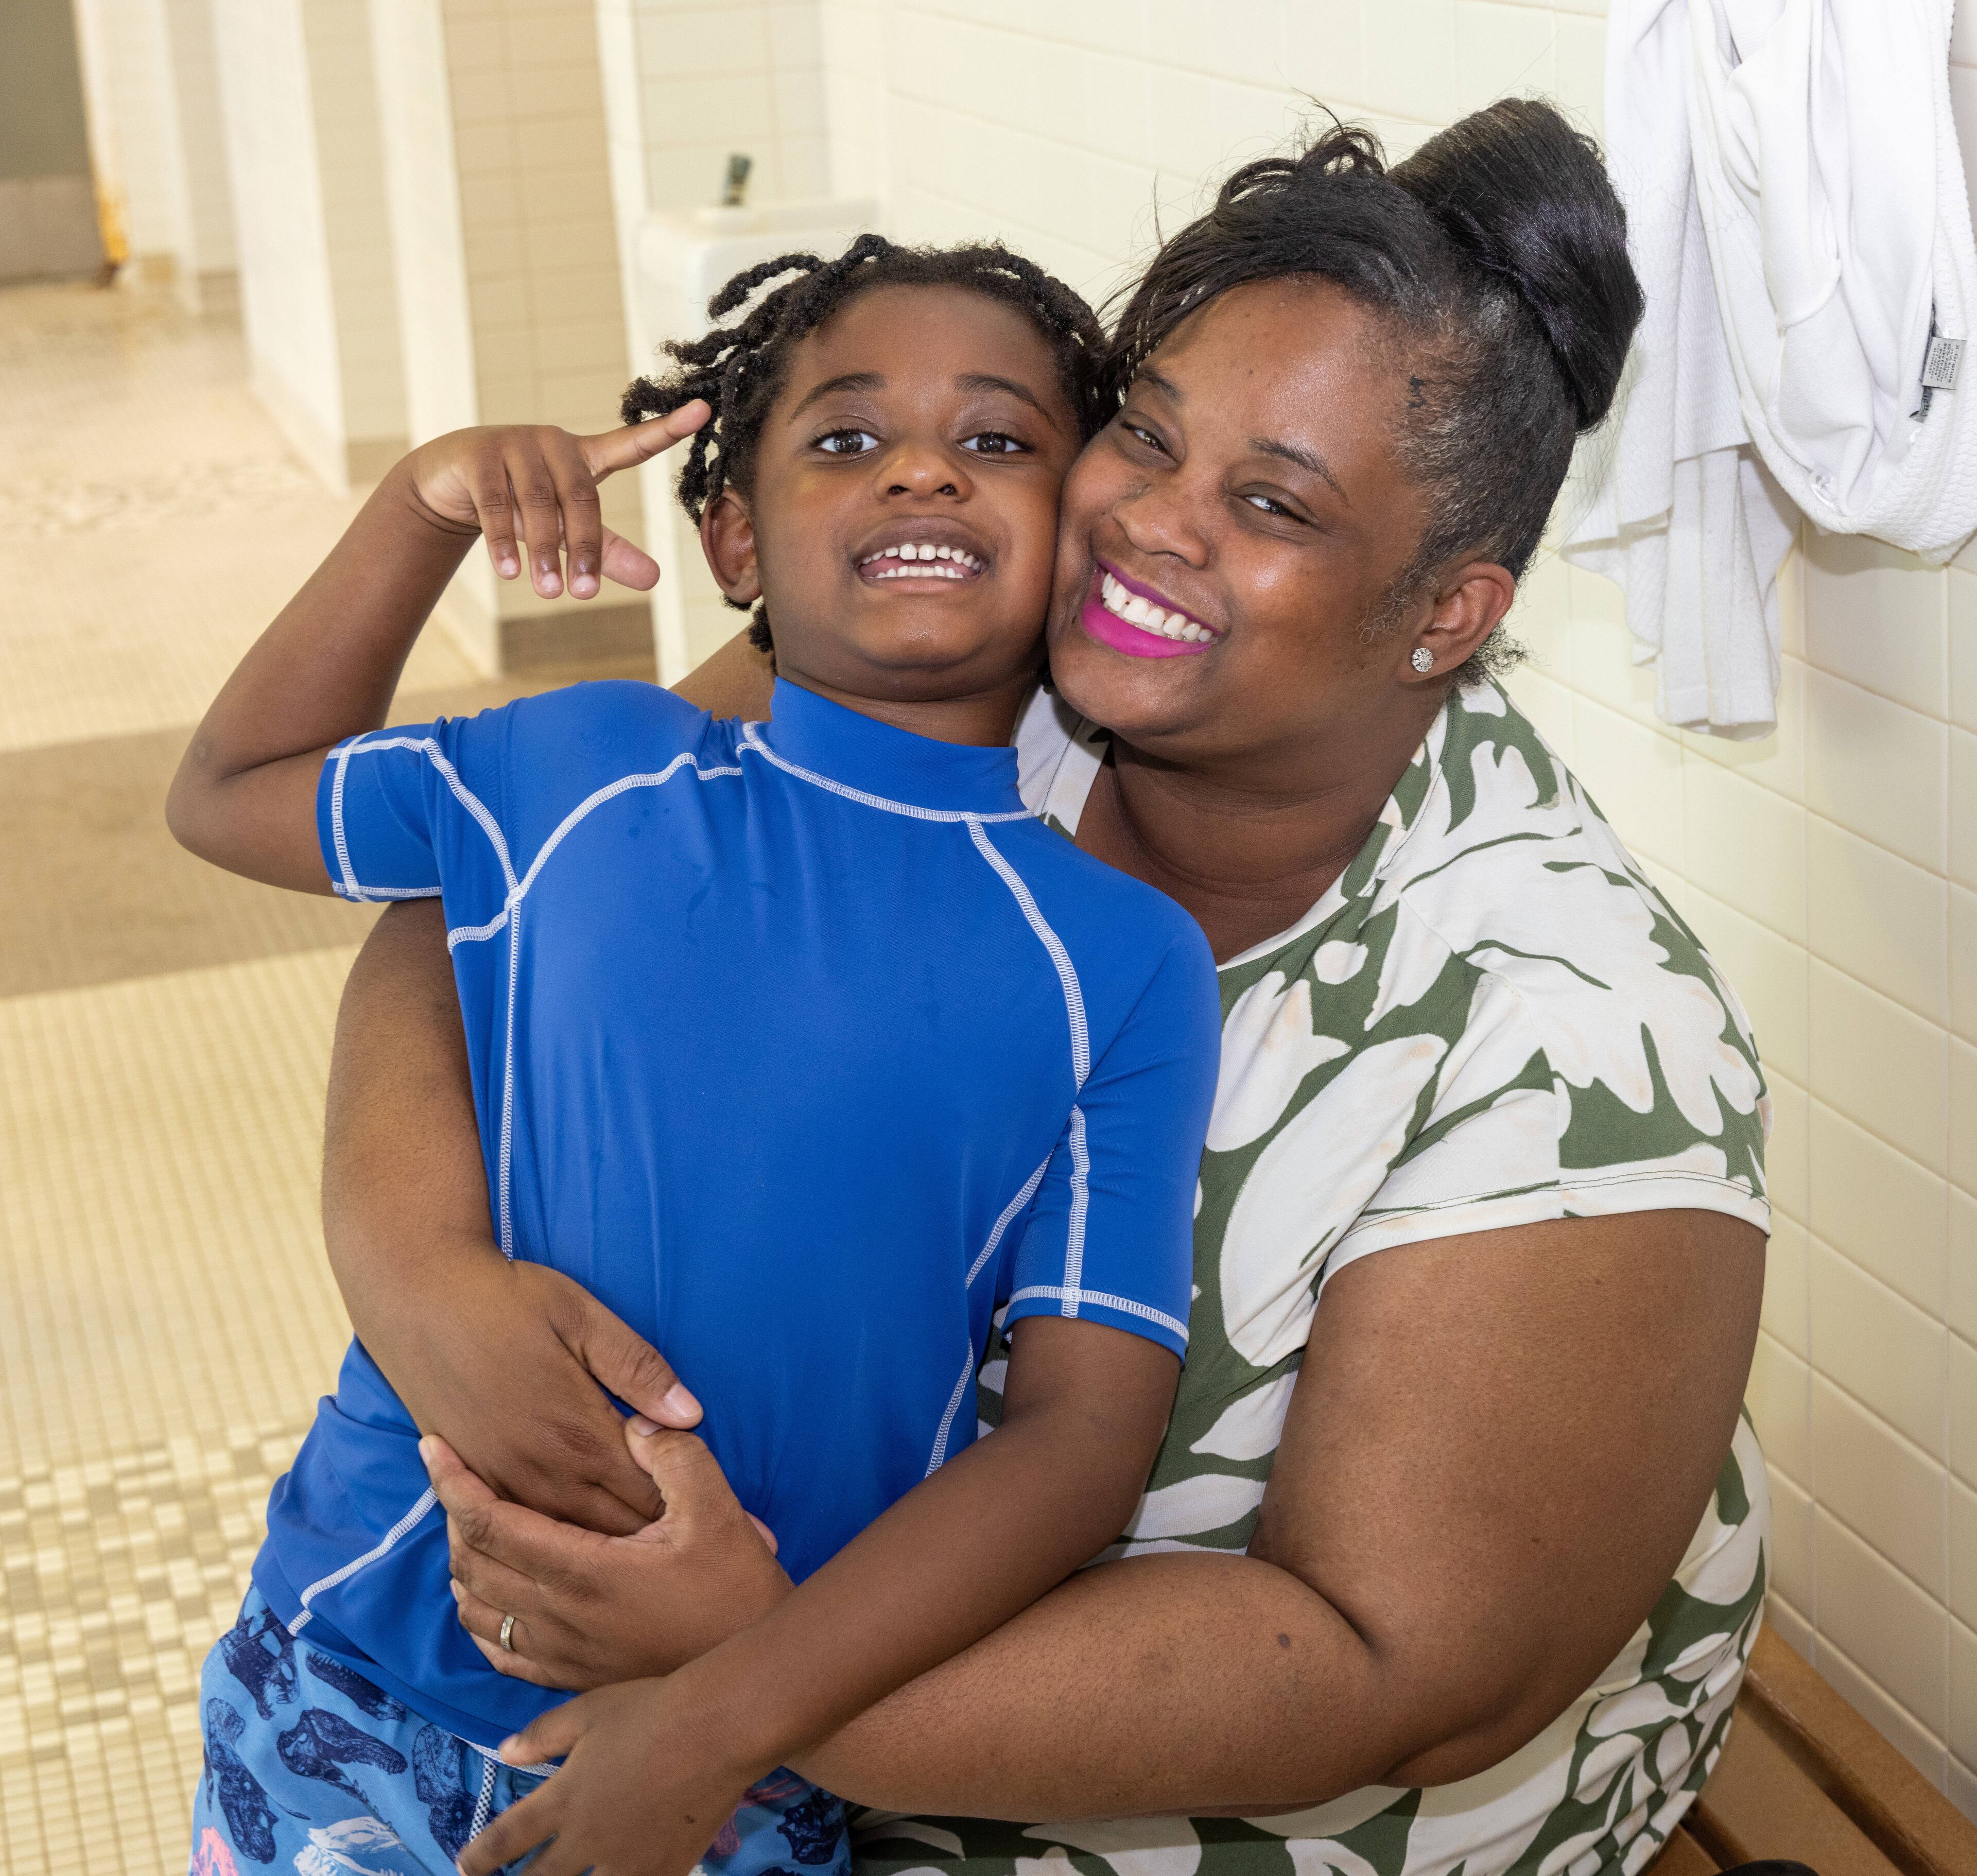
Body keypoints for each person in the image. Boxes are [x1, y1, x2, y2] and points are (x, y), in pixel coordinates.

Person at [329, 101, 1769, 1876]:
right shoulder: (978, 684)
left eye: (1269, 504)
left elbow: (1395, 1667)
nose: (1145, 528)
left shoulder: (1570, 1036)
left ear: (1448, 613)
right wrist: (422, 1275)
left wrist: (741, 1673)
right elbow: (488, 881)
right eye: (1145, 437)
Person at [166, 239, 1226, 1876]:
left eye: (1000, 439)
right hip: (347, 1674)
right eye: (847, 438)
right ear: (733, 531)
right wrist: (421, 509)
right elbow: (235, 787)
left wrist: (746, 1696)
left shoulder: (1122, 960)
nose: (927, 465)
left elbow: (1083, 1441)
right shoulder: (580, 763)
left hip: (723, 1764)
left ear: (1073, 539)